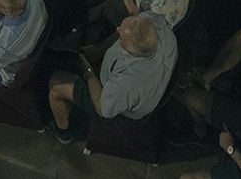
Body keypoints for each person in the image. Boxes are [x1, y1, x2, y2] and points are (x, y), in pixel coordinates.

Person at [47, 12, 177, 142]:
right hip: (122, 84)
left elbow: (102, 108)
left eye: (121, 38)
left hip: (114, 103)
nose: (118, 29)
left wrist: (88, 70)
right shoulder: (158, 25)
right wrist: (97, 51)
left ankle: (63, 132)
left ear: (135, 53)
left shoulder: (128, 83)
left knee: (56, 84)